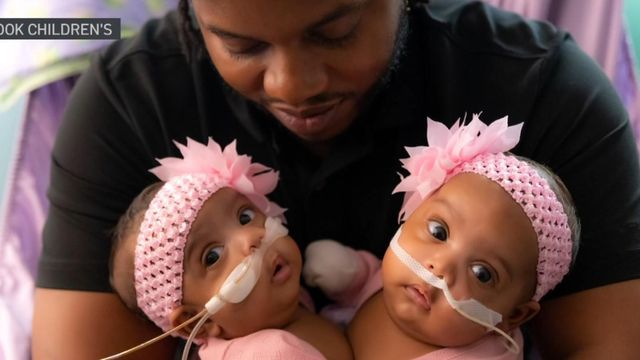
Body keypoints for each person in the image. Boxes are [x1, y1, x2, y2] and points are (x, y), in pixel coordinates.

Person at [32, 0, 640, 359]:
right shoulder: (127, 106)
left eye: (336, 31)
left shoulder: (544, 91)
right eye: (241, 44)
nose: (293, 86)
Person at [303, 116, 580, 359]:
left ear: (512, 316)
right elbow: (372, 281)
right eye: (439, 232)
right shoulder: (396, 281)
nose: (439, 266)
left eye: (482, 273)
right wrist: (351, 276)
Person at [107, 137, 352, 359]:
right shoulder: (272, 354)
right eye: (213, 256)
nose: (252, 237)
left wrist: (356, 278)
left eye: (245, 216)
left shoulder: (287, 304)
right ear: (196, 323)